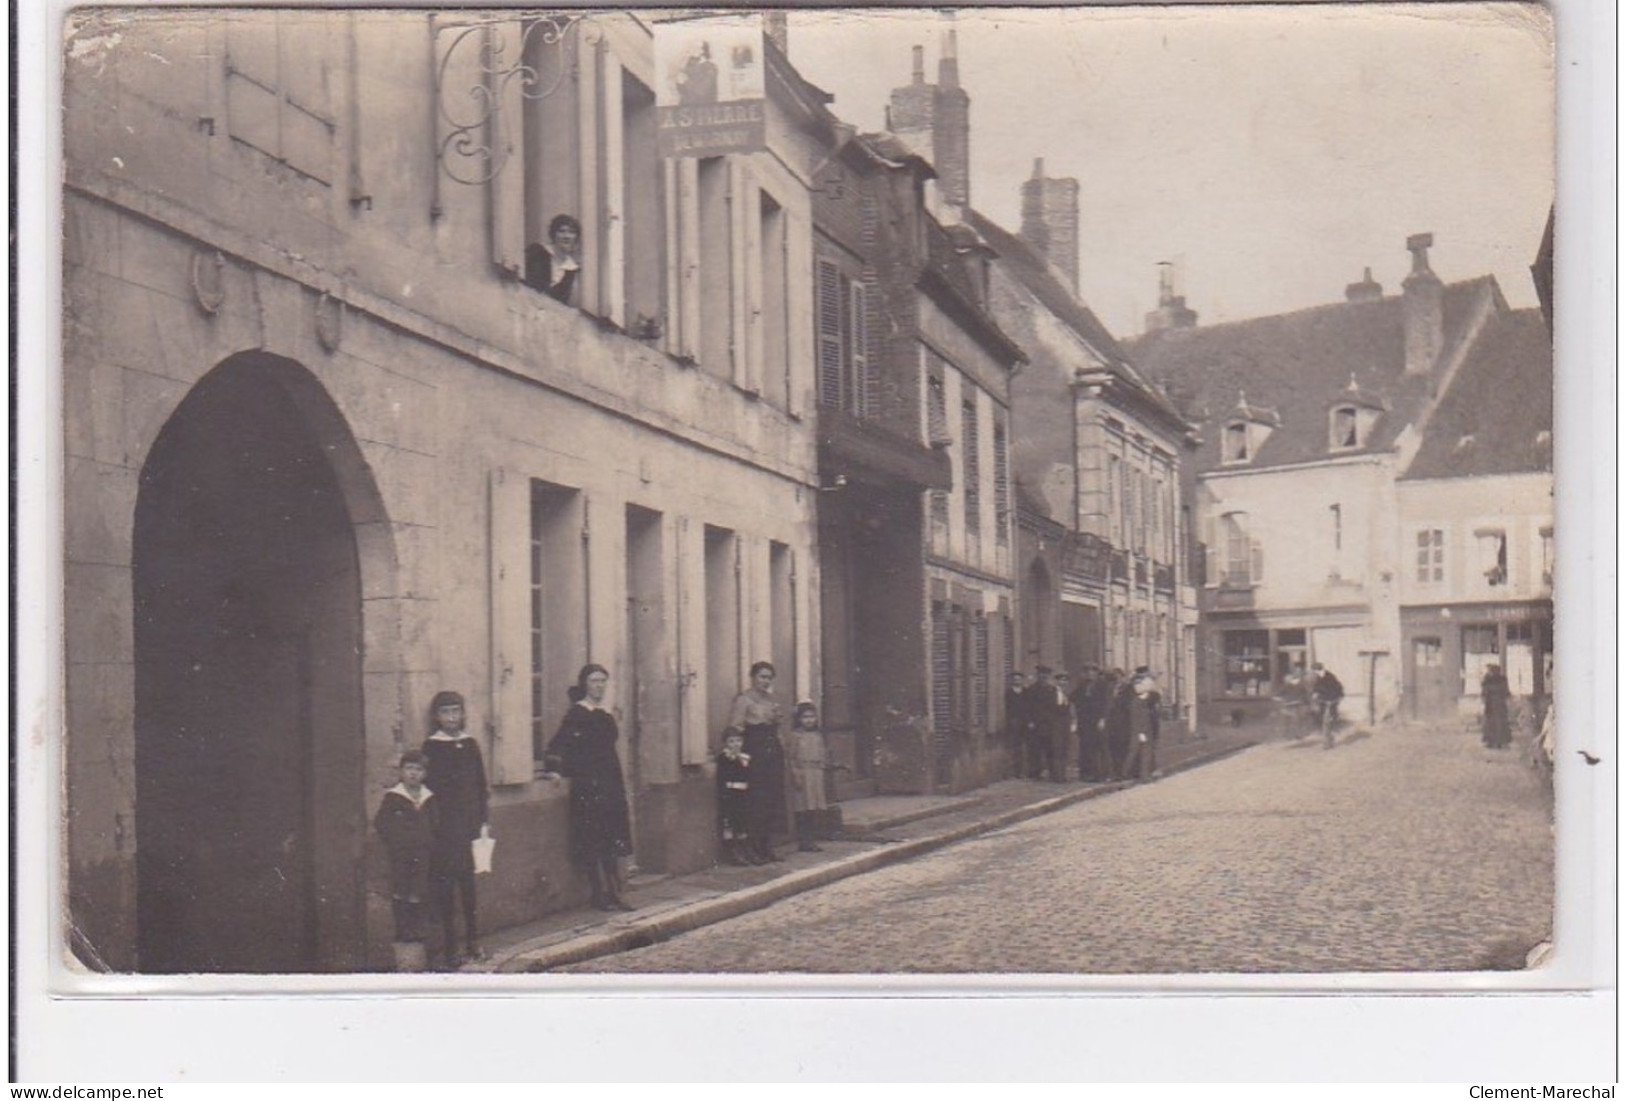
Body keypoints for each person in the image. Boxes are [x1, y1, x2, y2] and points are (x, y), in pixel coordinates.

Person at [544, 664, 635, 911]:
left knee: (611, 837)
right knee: (593, 838)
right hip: (589, 783)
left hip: (610, 781)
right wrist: (554, 768)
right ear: (585, 684)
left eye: (603, 681)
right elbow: (559, 744)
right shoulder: (577, 714)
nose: (599, 686)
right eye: (595, 681)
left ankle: (615, 892)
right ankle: (598, 893)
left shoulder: (604, 715)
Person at [420, 690, 489, 967]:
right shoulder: (432, 747)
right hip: (446, 830)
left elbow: (481, 785)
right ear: (437, 717)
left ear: (462, 714)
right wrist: (435, 825)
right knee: (446, 890)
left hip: (470, 826)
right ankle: (450, 948)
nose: (452, 717)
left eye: (456, 712)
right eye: (446, 712)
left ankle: (473, 940)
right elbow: (428, 790)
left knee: (469, 887)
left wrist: (483, 820)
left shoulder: (470, 744)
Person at [373, 750, 439, 971]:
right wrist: (396, 840)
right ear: (401, 772)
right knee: (401, 888)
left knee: (418, 889)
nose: (413, 774)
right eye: (409, 769)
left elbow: (435, 822)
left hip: (422, 852)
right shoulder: (394, 797)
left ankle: (416, 928)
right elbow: (381, 823)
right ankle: (402, 929)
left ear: (425, 774)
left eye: (418, 770)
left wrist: (429, 839)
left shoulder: (428, 798)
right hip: (401, 854)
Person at [727, 661, 788, 863]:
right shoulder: (744, 700)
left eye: (769, 677)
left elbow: (778, 728)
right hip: (754, 751)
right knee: (755, 801)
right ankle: (751, 848)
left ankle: (765, 846)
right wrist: (735, 760)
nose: (765, 681)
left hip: (772, 753)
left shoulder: (772, 700)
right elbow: (735, 728)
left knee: (771, 800)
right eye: (762, 676)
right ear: (752, 677)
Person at [788, 701, 831, 853]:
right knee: (803, 808)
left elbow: (822, 753)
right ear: (799, 719)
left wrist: (823, 767)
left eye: (812, 717)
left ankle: (811, 839)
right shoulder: (796, 736)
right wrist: (795, 773)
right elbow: (791, 757)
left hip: (816, 773)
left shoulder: (817, 735)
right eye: (805, 717)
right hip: (803, 773)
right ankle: (803, 840)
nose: (809, 720)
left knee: (813, 808)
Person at [715, 729, 755, 865]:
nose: (735, 744)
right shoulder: (724, 758)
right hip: (730, 794)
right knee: (730, 823)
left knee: (742, 822)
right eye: (731, 741)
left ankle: (746, 850)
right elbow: (723, 777)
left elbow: (748, 776)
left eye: (738, 741)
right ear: (725, 743)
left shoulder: (744, 758)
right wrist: (725, 793)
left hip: (743, 794)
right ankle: (733, 854)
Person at [524, 214, 582, 304]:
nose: (566, 236)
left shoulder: (572, 270)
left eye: (571, 232)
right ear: (554, 234)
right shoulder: (537, 252)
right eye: (562, 231)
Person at [1027, 667, 1069, 782]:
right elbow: (1028, 707)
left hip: (1050, 723)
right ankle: (1035, 772)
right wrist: (1030, 721)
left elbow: (1057, 706)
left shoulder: (1052, 689)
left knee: (1051, 748)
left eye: (1046, 675)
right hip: (1036, 723)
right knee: (1036, 748)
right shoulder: (1031, 689)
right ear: (1037, 675)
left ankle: (1053, 772)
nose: (1043, 677)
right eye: (1041, 674)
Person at [1122, 670, 1161, 782]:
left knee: (1146, 754)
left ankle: (1144, 776)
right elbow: (1135, 720)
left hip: (1147, 730)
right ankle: (1124, 774)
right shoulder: (1136, 703)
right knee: (1133, 752)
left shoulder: (1145, 702)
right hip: (1138, 732)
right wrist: (1140, 733)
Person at [1072, 665, 1109, 782]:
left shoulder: (1103, 686)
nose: (1090, 674)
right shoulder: (1082, 686)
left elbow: (1107, 703)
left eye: (1093, 671)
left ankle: (1100, 774)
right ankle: (1086, 773)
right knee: (1085, 747)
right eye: (1087, 671)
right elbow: (1073, 698)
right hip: (1084, 722)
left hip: (1098, 721)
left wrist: (1103, 718)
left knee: (1099, 747)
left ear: (1097, 673)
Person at [1104, 670, 1134, 780]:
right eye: (1115, 677)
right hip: (1111, 724)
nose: (1117, 679)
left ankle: (1124, 772)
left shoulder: (1128, 688)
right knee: (1113, 748)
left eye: (1119, 677)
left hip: (1123, 723)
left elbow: (1129, 705)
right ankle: (1115, 772)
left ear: (1123, 677)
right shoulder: (1109, 689)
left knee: (1123, 748)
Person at [1309, 663, 1345, 749]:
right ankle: (1329, 740)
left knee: (1327, 722)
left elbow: (1337, 688)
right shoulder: (1318, 678)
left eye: (1315, 671)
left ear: (1317, 670)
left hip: (1331, 701)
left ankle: (1327, 743)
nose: (1315, 673)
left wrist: (1333, 699)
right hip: (1324, 701)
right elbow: (1317, 687)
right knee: (1326, 722)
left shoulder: (1329, 677)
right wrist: (1315, 693)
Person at [1004, 671, 1032, 779]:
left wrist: (1030, 721)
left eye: (1019, 679)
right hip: (1014, 722)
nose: (1017, 681)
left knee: (1026, 747)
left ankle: (1025, 771)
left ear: (1022, 680)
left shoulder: (1026, 692)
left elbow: (1029, 707)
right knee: (1015, 747)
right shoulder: (1009, 693)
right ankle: (1015, 771)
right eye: (1015, 679)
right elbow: (1008, 708)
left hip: (1025, 722)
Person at [1481, 664, 1513, 749]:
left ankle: (1494, 741)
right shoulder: (1500, 680)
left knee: (1494, 723)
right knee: (1497, 723)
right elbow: (1506, 693)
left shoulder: (1488, 680)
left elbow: (1484, 692)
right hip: (1497, 705)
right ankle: (1497, 741)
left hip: (1493, 705)